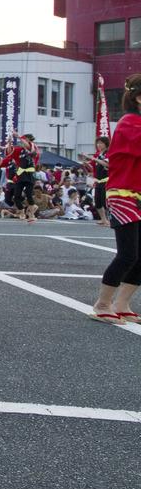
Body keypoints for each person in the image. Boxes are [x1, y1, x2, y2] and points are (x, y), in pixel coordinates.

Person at [91, 74, 141, 325]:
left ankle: (121, 303)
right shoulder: (129, 122)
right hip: (123, 194)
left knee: (139, 254)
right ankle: (102, 304)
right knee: (128, 253)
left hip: (137, 195)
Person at [0, 134, 40, 223]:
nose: (22, 141)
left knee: (28, 194)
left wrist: (18, 136)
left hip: (29, 173)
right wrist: (10, 143)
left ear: (29, 140)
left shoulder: (33, 147)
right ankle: (22, 212)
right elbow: (10, 152)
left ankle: (31, 214)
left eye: (25, 139)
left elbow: (29, 147)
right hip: (20, 174)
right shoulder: (20, 150)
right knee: (17, 196)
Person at [81, 137, 110, 227]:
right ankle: (103, 219)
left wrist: (94, 159)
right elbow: (92, 167)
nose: (99, 145)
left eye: (101, 143)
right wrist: (86, 163)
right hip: (98, 180)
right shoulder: (98, 154)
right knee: (98, 202)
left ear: (106, 144)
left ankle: (108, 219)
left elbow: (107, 165)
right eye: (98, 143)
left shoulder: (108, 153)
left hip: (106, 180)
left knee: (105, 201)